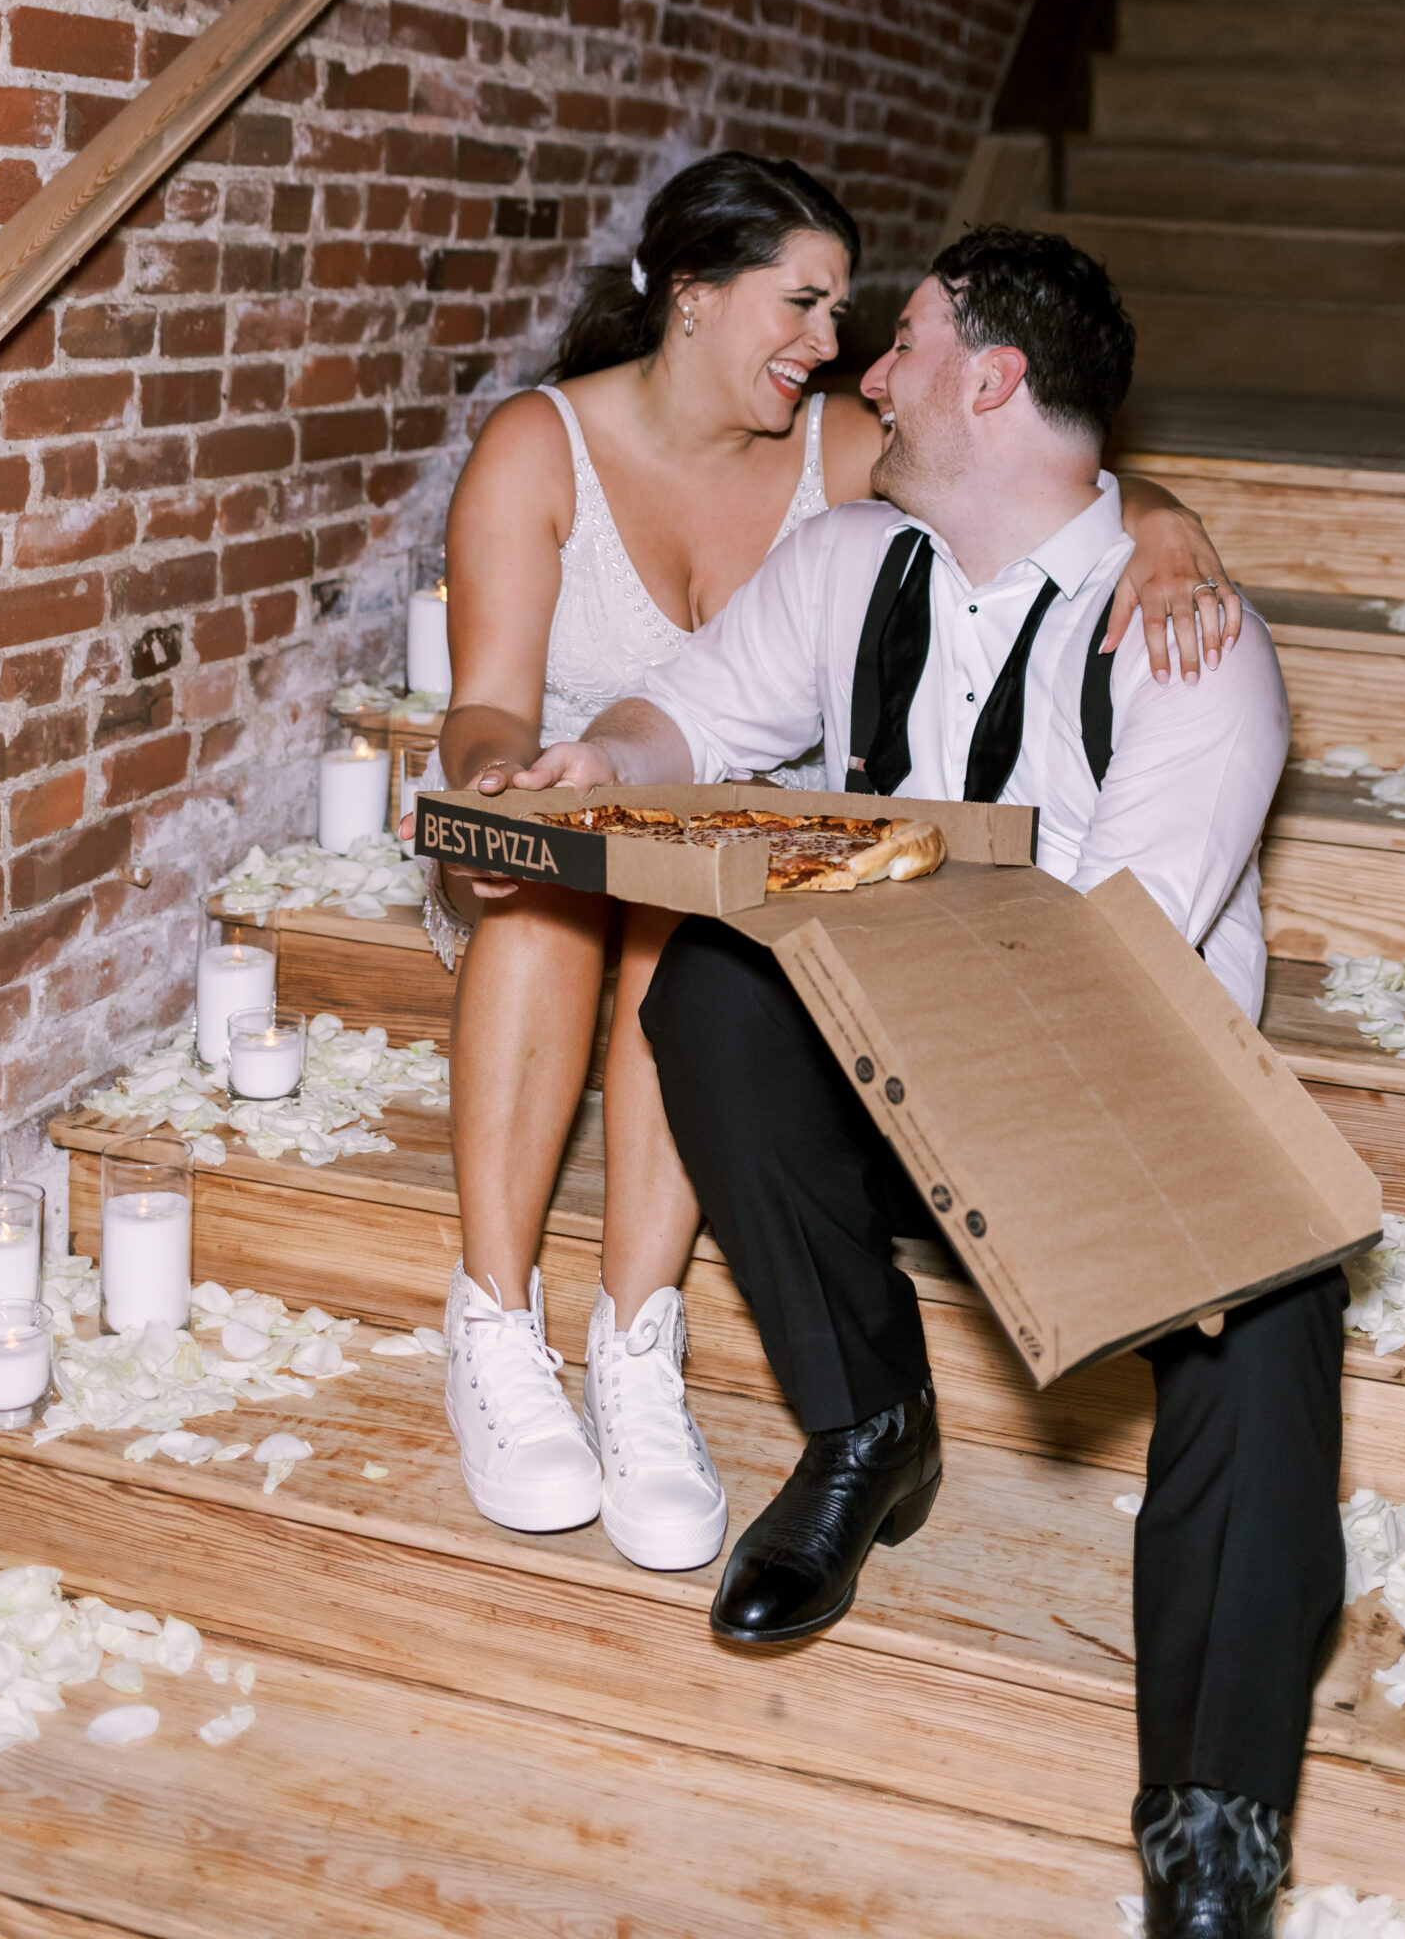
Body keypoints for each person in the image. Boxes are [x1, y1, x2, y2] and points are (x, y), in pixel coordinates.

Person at [520, 227, 1339, 1939]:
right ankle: (869, 1424)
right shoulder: (845, 562)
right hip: (894, 1066)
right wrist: (614, 757)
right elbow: (702, 710)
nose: (865, 375)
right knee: (716, 986)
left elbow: (1099, 963)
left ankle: (1214, 1816)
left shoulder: (1190, 642)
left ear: (993, 383)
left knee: (1279, 1309)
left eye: (905, 344)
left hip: (1113, 1088)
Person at [418, 156, 1245, 1586]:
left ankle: (635, 1345)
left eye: (860, 321)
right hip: (581, 817)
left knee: (699, 942)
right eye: (801, 305)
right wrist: (521, 784)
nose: (840, 354)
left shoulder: (855, 455)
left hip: (769, 867)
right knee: (572, 907)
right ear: (690, 297)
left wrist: (1168, 525)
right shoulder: (540, 446)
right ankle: (493, 1322)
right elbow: (509, 703)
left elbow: (1046, 466)